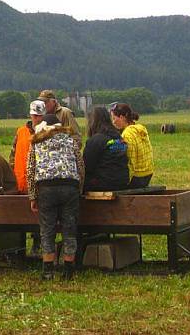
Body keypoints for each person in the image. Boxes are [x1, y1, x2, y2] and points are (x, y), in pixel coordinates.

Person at [27, 113, 84, 280]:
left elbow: (31, 170)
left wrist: (32, 196)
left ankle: (48, 271)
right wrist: (78, 189)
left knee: (47, 229)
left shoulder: (37, 142)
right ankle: (68, 270)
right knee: (69, 228)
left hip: (46, 188)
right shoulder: (70, 141)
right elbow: (80, 166)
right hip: (70, 186)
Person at [83, 106, 128, 191]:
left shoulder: (96, 140)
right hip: (122, 181)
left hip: (104, 184)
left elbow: (86, 166)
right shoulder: (118, 137)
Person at [110, 102, 154, 188]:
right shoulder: (140, 129)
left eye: (114, 118)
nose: (113, 122)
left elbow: (130, 159)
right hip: (148, 172)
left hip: (137, 177)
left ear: (121, 117)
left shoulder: (127, 134)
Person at [9, 100, 46, 193]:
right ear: (31, 115)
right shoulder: (21, 132)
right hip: (21, 184)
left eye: (40, 116)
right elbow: (12, 156)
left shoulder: (48, 133)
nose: (38, 119)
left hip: (42, 185)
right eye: (35, 116)